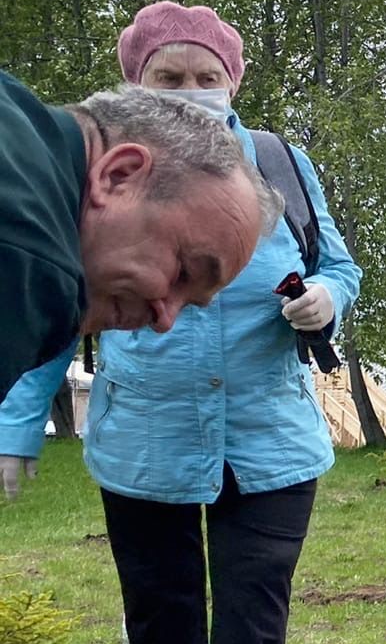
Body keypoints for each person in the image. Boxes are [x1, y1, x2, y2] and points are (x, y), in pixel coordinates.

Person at [0, 2, 362, 644]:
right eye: (171, 79)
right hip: (145, 433)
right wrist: (16, 430)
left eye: (209, 77)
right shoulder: (83, 191)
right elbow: (59, 303)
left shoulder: (278, 161)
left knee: (249, 599)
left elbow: (336, 264)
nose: (193, 91)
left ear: (234, 81)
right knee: (159, 603)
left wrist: (323, 300)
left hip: (268, 432)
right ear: (135, 84)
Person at [0, 69, 276, 398]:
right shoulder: (32, 264)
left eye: (188, 305)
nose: (165, 321)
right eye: (183, 272)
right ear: (118, 175)